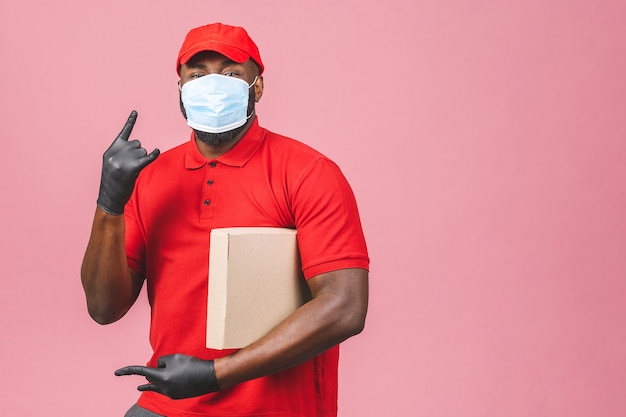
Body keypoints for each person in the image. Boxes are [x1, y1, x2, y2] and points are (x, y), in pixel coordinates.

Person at [81, 22, 369, 417]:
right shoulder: (151, 178)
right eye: (198, 75)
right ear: (181, 90)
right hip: (170, 405)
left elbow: (345, 306)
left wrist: (216, 374)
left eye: (231, 73)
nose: (213, 85)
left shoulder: (308, 172)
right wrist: (109, 203)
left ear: (258, 87)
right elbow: (103, 307)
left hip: (276, 409)